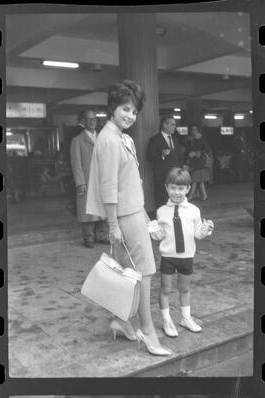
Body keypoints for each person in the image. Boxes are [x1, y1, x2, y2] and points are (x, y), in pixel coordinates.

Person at [86, 80, 172, 356]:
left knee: (131, 273)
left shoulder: (122, 137)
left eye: (134, 111)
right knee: (144, 271)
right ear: (113, 108)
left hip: (134, 212)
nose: (130, 116)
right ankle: (147, 330)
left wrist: (145, 216)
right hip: (124, 216)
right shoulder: (109, 139)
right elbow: (108, 186)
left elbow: (129, 180)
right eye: (125, 109)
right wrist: (113, 225)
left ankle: (122, 321)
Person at [149, 167, 214, 337]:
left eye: (180, 188)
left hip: (186, 256)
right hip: (168, 257)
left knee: (184, 288)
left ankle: (185, 317)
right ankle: (166, 320)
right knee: (165, 289)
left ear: (187, 188)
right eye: (172, 188)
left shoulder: (194, 210)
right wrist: (153, 230)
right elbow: (160, 235)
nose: (176, 192)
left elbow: (198, 233)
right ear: (166, 188)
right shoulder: (161, 211)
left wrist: (206, 229)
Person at [70, 110, 108, 248]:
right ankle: (88, 238)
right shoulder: (77, 140)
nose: (92, 122)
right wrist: (80, 183)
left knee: (102, 208)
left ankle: (102, 235)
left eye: (94, 119)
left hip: (101, 180)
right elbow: (76, 164)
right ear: (84, 122)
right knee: (87, 210)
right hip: (87, 179)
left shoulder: (102, 138)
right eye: (89, 119)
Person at [147, 115, 184, 209]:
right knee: (161, 201)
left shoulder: (175, 140)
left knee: (175, 200)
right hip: (161, 177)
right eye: (172, 125)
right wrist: (162, 155)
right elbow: (149, 157)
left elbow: (178, 157)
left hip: (175, 177)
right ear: (164, 125)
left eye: (175, 125)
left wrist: (181, 170)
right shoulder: (155, 139)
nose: (174, 127)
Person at [186, 123, 211, 201]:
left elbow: (207, 149)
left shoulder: (202, 138)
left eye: (195, 129)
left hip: (200, 161)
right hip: (192, 161)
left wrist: (197, 153)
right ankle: (204, 196)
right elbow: (187, 149)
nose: (193, 131)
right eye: (192, 129)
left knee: (194, 179)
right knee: (199, 180)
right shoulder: (189, 139)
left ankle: (191, 196)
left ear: (198, 130)